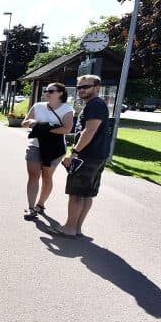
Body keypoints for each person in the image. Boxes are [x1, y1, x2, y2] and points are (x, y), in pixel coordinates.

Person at [53, 75, 110, 238]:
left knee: (76, 193)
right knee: (87, 194)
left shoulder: (95, 105)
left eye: (86, 87)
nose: (81, 90)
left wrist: (74, 153)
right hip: (97, 155)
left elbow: (90, 130)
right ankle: (76, 228)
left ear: (97, 87)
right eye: (79, 87)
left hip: (87, 155)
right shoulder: (96, 104)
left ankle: (69, 228)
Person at [22, 83, 74, 220]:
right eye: (46, 90)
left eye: (51, 91)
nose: (47, 93)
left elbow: (67, 129)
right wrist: (31, 122)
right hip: (35, 145)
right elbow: (24, 123)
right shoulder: (38, 106)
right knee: (33, 176)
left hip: (54, 149)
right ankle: (31, 208)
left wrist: (42, 127)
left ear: (60, 93)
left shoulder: (67, 109)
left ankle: (40, 204)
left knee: (47, 176)